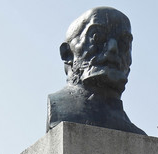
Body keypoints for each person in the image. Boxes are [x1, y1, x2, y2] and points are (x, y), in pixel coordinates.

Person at [46, 6, 145, 135]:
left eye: (124, 43)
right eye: (97, 37)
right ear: (67, 54)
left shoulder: (136, 135)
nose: (113, 48)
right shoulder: (61, 111)